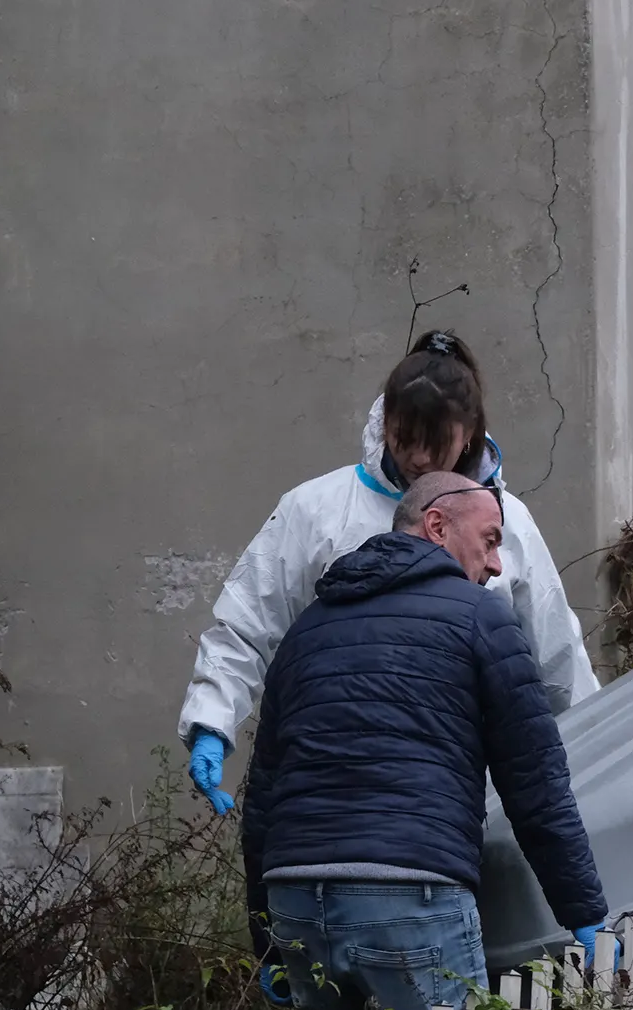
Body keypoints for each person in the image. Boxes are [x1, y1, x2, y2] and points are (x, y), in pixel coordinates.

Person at [240, 471, 608, 1010]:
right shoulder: (482, 619)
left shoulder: (306, 631)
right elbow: (536, 786)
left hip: (296, 901)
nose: (496, 565)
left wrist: (266, 939)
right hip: (412, 897)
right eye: (490, 540)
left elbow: (263, 795)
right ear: (437, 525)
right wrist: (585, 914)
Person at [181, 331, 598, 816]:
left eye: (435, 443)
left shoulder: (507, 526)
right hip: (333, 781)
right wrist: (212, 720)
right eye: (405, 439)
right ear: (385, 424)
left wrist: (595, 761)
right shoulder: (316, 512)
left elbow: (557, 663)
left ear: (469, 435)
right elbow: (248, 624)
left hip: (467, 795)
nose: (419, 459)